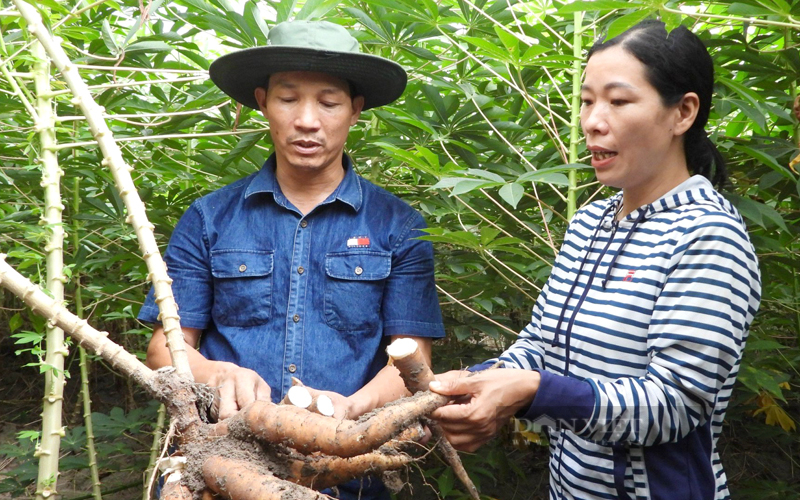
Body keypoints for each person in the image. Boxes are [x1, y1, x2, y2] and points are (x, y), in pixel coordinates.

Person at [429, 20, 761, 500]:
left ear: (683, 112)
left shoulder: (707, 234)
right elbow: (540, 342)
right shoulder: (590, 222)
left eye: (618, 101)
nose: (592, 121)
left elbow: (674, 405)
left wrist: (531, 391)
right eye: (587, 100)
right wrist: (477, 382)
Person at [138, 19, 445, 499]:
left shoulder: (398, 226)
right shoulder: (207, 218)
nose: (307, 119)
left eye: (328, 101)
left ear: (355, 110)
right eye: (288, 98)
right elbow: (165, 348)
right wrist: (219, 374)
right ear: (262, 102)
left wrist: (349, 412)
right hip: (219, 459)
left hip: (347, 464)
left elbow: (413, 360)